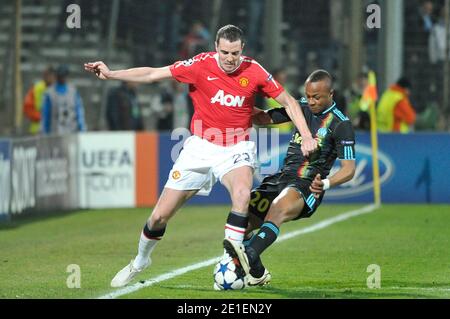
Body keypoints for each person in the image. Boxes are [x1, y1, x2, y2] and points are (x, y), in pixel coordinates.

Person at [84, 24, 318, 288]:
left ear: (242, 49)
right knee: (159, 216)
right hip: (199, 148)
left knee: (242, 195)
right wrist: (112, 73)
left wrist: (307, 135)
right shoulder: (199, 65)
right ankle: (140, 261)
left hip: (237, 147)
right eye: (225, 52)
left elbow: (288, 101)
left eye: (235, 53)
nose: (230, 59)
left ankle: (232, 260)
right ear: (216, 48)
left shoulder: (254, 71)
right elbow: (152, 74)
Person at [223, 69, 356, 286]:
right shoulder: (300, 107)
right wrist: (237, 104)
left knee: (277, 208)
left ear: (331, 94)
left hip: (307, 186)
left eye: (317, 97)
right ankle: (256, 272)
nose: (311, 101)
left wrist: (326, 183)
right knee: (239, 224)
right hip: (281, 179)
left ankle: (248, 255)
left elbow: (349, 169)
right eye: (308, 95)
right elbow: (264, 118)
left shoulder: (341, 124)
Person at [41, 64, 87, 134]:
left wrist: (82, 128)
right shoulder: (49, 93)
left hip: (72, 131)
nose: (62, 78)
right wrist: (45, 132)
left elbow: (79, 111)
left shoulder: (73, 92)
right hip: (55, 132)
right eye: (60, 76)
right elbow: (46, 115)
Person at [23, 66, 55, 135]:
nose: (48, 78)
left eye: (50, 75)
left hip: (55, 131)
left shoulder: (58, 89)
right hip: (37, 130)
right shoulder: (36, 88)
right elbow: (27, 108)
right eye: (46, 75)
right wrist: (42, 118)